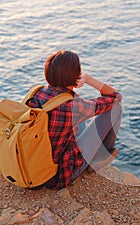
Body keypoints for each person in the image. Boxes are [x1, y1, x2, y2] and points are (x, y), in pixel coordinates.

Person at [27, 50, 122, 189]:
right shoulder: (73, 105)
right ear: (75, 75)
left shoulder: (37, 93)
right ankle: (100, 156)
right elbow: (116, 97)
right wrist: (88, 79)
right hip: (58, 175)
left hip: (35, 168)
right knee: (116, 108)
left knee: (78, 120)